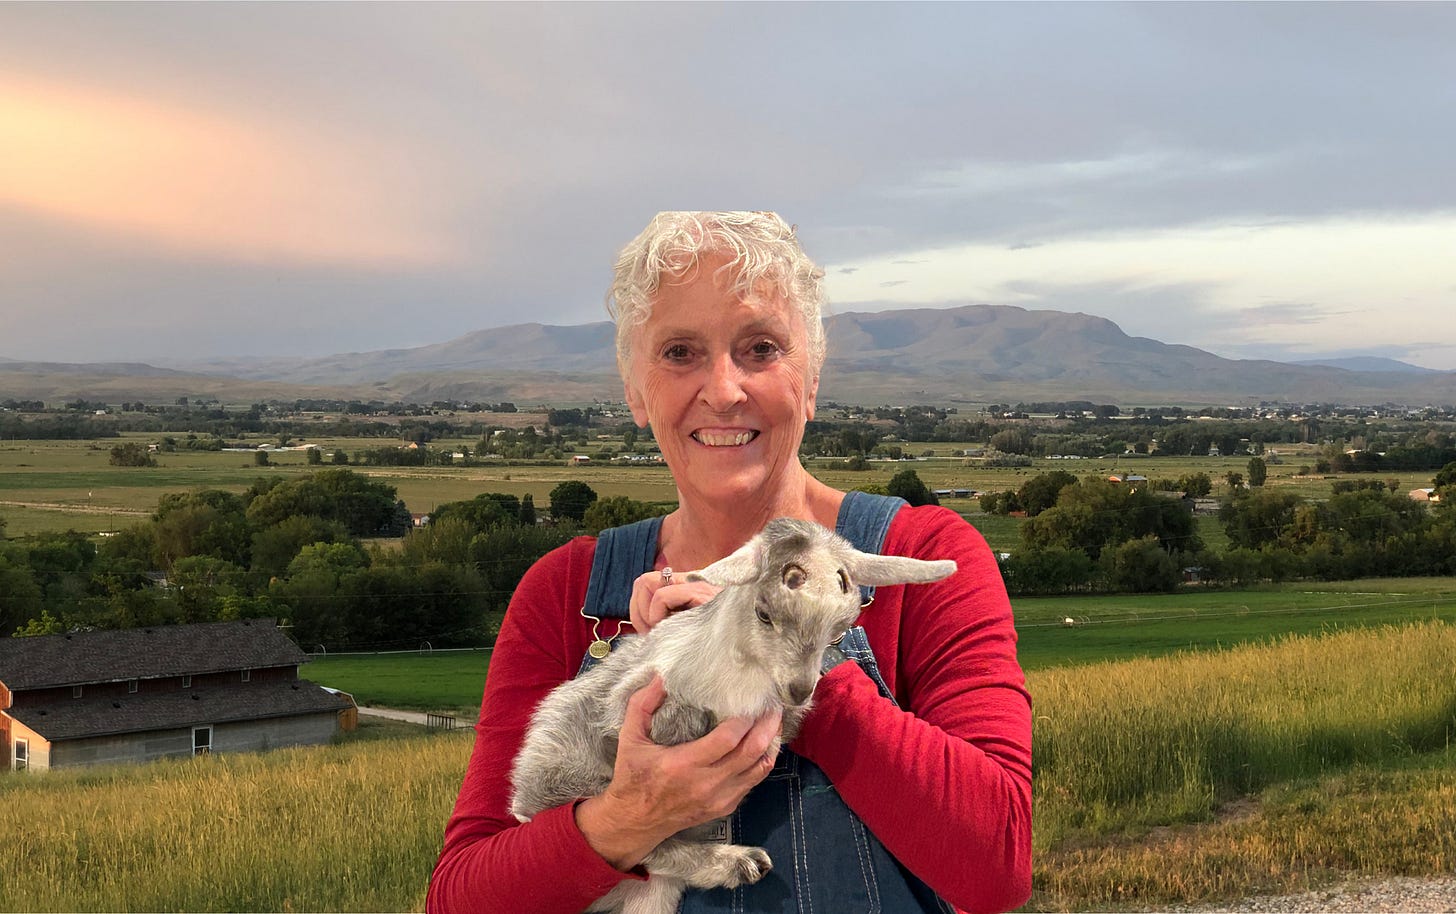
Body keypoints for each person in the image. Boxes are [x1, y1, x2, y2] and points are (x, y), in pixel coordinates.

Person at [427, 212, 1032, 914]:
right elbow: (462, 897)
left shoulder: (924, 557)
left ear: (811, 379)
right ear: (635, 390)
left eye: (761, 348)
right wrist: (627, 819)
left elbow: (996, 867)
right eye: (679, 352)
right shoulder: (568, 594)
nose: (722, 390)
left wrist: (769, 643)